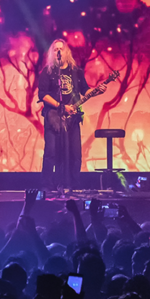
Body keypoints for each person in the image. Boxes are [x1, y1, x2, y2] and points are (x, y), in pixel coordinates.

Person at [38, 39, 105, 191]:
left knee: (75, 153)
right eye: (55, 49)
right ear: (52, 53)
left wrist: (96, 91)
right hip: (53, 116)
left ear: (67, 51)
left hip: (72, 118)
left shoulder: (76, 71)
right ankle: (47, 186)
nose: (58, 52)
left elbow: (85, 90)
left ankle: (74, 185)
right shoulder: (47, 72)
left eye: (61, 49)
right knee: (51, 152)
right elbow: (42, 95)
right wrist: (61, 106)